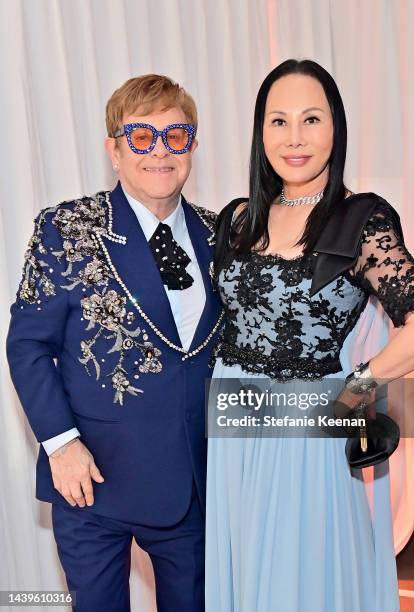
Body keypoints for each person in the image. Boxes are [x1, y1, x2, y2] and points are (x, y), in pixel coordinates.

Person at [205, 59, 414, 612]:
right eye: (279, 121)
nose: (295, 138)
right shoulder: (237, 218)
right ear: (259, 131)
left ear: (335, 129)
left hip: (303, 428)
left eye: (311, 119)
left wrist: (358, 387)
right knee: (245, 567)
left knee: (298, 580)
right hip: (234, 424)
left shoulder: (359, 218)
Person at [7, 74, 222, 612]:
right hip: (92, 480)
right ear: (115, 150)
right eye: (140, 136)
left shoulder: (225, 235)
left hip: (198, 484)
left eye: (175, 135)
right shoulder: (67, 228)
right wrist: (60, 445)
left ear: (191, 146)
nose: (159, 151)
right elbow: (28, 345)